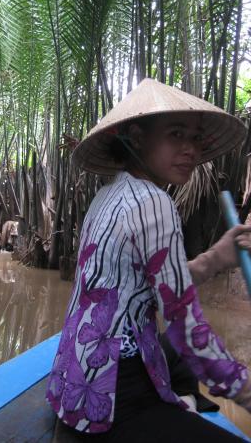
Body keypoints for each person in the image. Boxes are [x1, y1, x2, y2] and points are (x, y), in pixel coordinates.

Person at [46, 78, 251, 442]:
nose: (191, 150)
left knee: (169, 350)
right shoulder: (155, 204)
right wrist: (246, 391)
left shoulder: (107, 196)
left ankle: (180, 402)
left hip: (72, 385)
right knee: (182, 346)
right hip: (114, 399)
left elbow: (143, 286)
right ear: (137, 138)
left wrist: (215, 258)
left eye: (196, 139)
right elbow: (186, 327)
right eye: (176, 134)